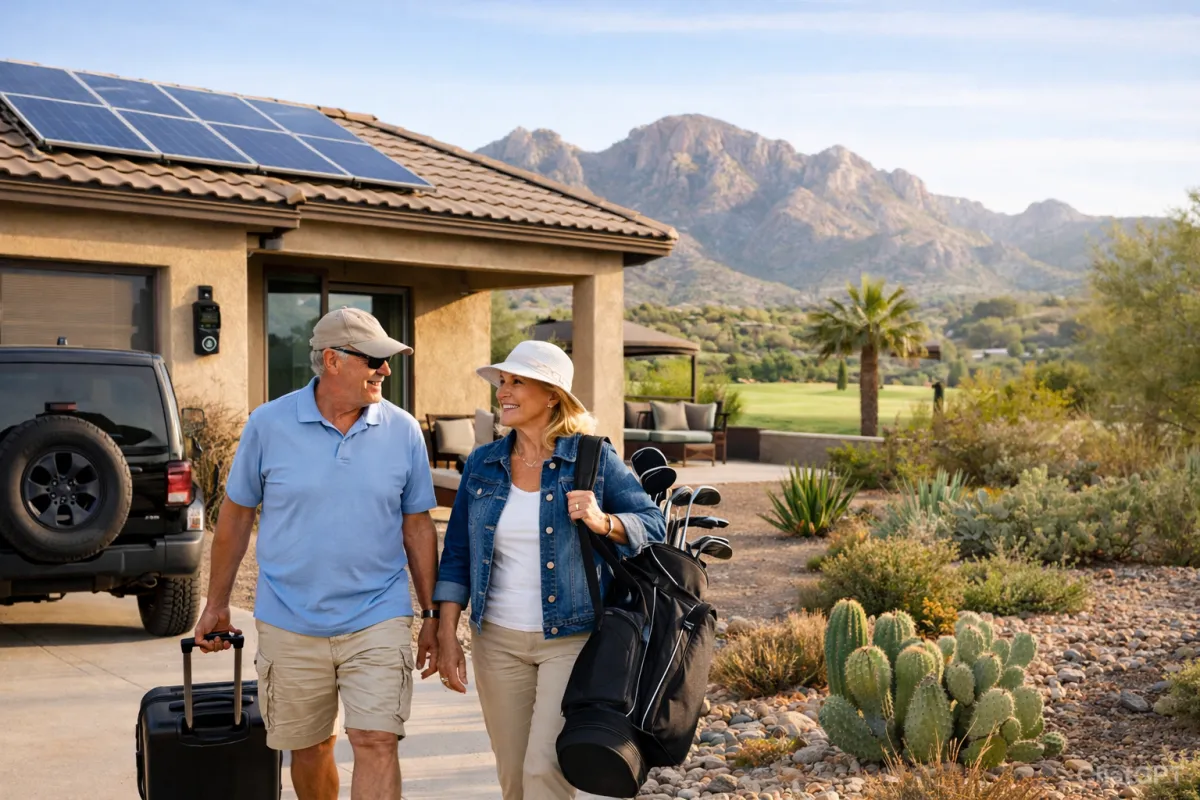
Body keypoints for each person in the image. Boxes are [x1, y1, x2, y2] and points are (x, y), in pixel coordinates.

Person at [193, 307, 440, 800]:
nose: (385, 371)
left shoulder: (404, 430)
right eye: (374, 360)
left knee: (376, 740)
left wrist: (430, 614)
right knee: (309, 748)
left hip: (378, 615)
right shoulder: (268, 424)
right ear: (332, 360)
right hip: (289, 620)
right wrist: (217, 604)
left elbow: (417, 527)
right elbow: (236, 518)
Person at [434, 340, 667, 800]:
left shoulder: (592, 458)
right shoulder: (483, 463)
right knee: (514, 778)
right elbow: (457, 550)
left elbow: (654, 523)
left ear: (553, 395)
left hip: (572, 638)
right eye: (503, 381)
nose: (504, 391)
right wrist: (446, 633)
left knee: (545, 768)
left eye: (518, 382)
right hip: (496, 639)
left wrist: (606, 521)